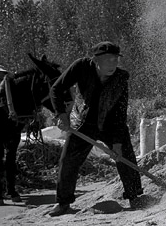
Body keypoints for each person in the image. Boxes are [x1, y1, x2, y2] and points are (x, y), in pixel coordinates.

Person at [48, 41, 143, 216]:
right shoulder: (81, 66)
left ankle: (135, 197)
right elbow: (56, 89)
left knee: (125, 156)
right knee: (68, 160)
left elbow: (120, 114)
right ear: (95, 60)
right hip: (83, 123)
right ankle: (63, 203)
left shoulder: (121, 78)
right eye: (108, 60)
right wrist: (61, 115)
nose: (113, 64)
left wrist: (116, 144)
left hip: (110, 123)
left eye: (115, 59)